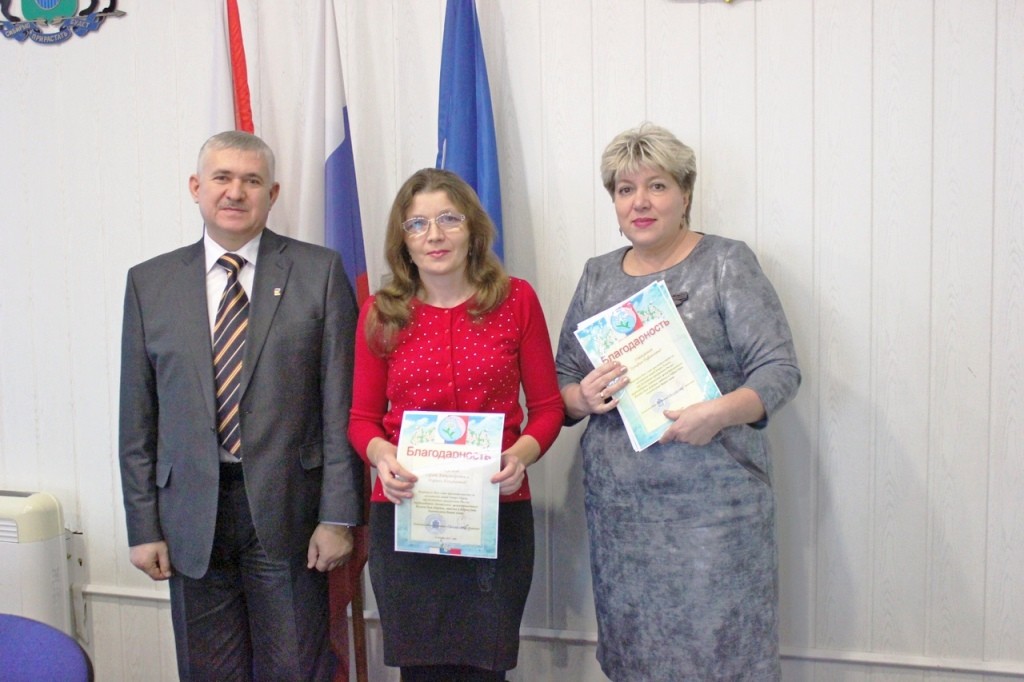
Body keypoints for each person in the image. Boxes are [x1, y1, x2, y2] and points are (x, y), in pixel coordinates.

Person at [555, 123, 801, 681]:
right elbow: (564, 379)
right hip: (621, 515)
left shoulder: (725, 263)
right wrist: (581, 397)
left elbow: (780, 371)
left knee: (721, 657)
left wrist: (718, 413)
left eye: (657, 186)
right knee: (636, 656)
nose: (640, 202)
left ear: (685, 194)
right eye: (625, 189)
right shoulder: (597, 275)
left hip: (714, 511)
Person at [119, 130, 364, 680]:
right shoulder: (149, 283)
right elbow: (137, 421)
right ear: (196, 187)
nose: (235, 192)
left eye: (251, 180)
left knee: (295, 669)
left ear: (272, 194)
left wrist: (337, 516)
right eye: (222, 178)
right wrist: (143, 525)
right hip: (189, 520)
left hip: (290, 514)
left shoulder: (319, 273)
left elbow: (340, 408)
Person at [348, 168, 564, 682]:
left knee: (485, 668)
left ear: (472, 229)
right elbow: (361, 421)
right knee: (421, 670)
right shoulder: (381, 313)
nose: (435, 235)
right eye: (417, 224)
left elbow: (549, 408)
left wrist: (521, 456)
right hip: (406, 517)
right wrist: (381, 455)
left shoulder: (516, 300)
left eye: (449, 219)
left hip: (495, 515)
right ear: (403, 240)